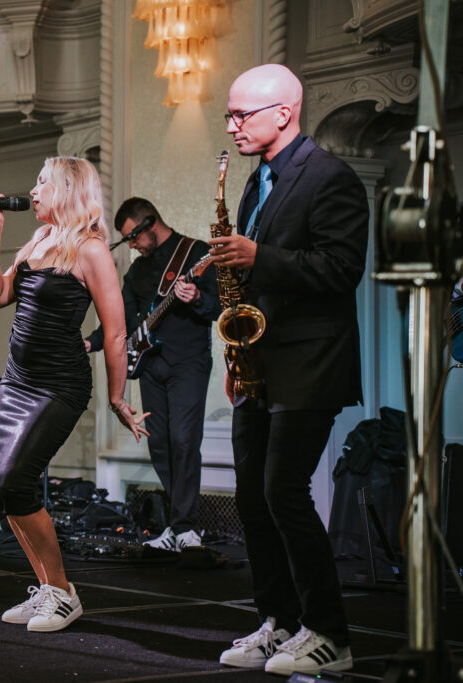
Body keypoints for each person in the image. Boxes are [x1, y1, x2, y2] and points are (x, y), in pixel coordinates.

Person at [209, 64, 367, 676]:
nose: (232, 125)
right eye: (230, 114)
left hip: (311, 361)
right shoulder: (256, 183)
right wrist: (237, 349)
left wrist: (259, 256)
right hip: (259, 363)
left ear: (285, 112)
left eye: (241, 114)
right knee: (252, 499)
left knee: (283, 492)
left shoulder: (332, 177)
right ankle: (276, 621)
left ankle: (329, 632)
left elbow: (339, 270)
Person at [0, 157, 149, 632]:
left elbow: (115, 332)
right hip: (17, 382)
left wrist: (118, 397)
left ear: (68, 190)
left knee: (16, 482)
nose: (33, 191)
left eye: (42, 183)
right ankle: (49, 589)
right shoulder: (37, 240)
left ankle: (64, 593)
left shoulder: (91, 250)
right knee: (12, 490)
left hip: (59, 384)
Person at [85, 198, 220, 552]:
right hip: (150, 365)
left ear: (150, 224)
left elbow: (217, 307)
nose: (131, 245)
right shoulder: (139, 271)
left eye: (133, 237)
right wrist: (92, 342)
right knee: (159, 443)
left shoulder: (196, 253)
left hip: (189, 363)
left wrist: (194, 297)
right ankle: (179, 527)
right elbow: (122, 319)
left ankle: (186, 528)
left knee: (184, 440)